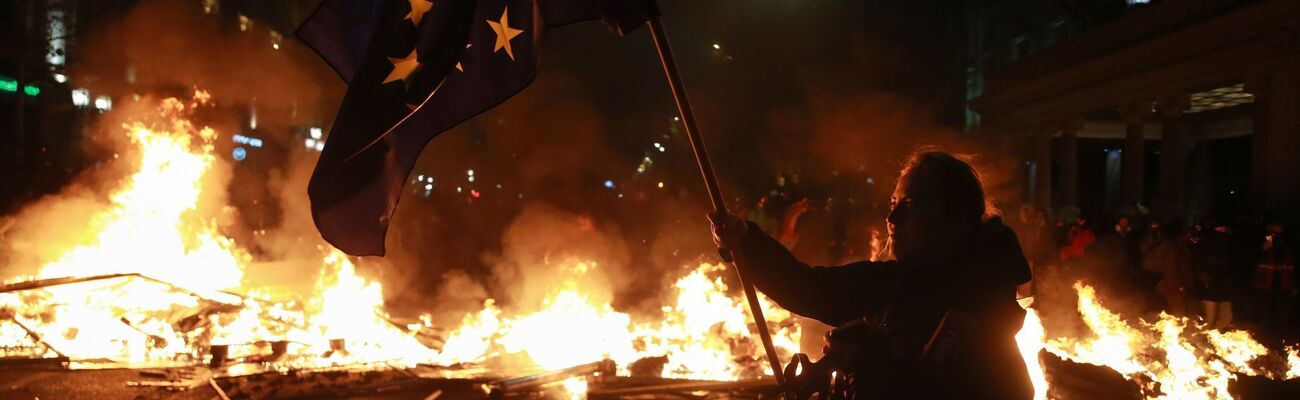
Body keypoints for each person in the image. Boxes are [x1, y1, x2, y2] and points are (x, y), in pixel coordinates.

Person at [709, 151, 1032, 399]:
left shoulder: (960, 294)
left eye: (910, 204)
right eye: (893, 203)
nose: (892, 216)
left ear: (953, 217)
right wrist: (746, 243)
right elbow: (807, 288)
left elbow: (809, 290)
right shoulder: (906, 281)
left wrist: (870, 367)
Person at [1251, 222, 1296, 333]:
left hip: (1282, 285)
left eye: (1278, 232)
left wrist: (1294, 285)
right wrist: (1263, 249)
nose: (1275, 235)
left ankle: (1282, 338)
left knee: (1282, 313)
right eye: (1273, 232)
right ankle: (1263, 336)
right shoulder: (1262, 246)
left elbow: (1293, 268)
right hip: (1265, 285)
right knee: (1264, 313)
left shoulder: (1288, 248)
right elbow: (1253, 262)